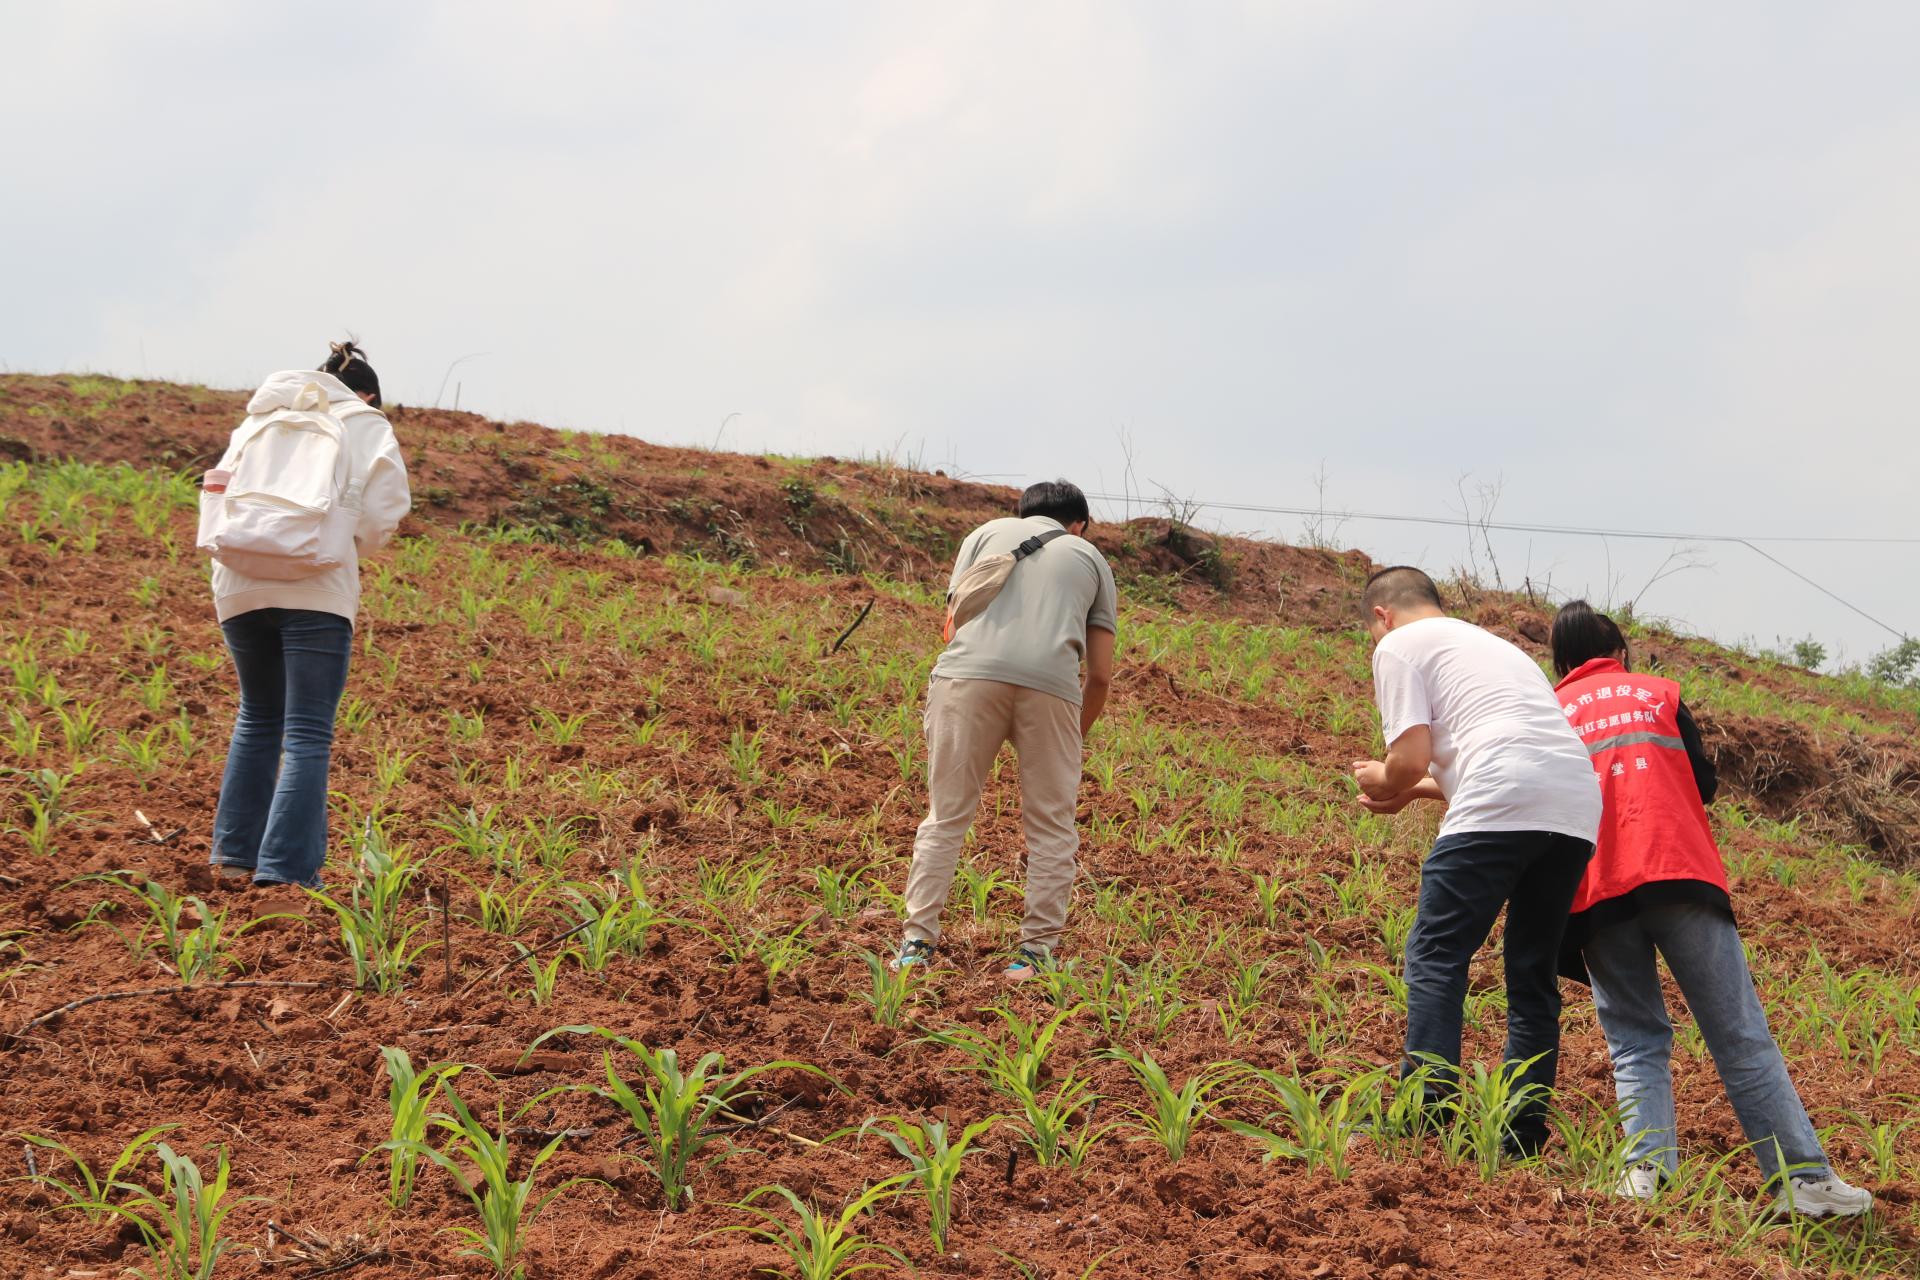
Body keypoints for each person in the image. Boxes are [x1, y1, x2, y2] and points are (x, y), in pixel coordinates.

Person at [1550, 600, 1872, 1217]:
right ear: (1618, 653)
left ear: (1562, 663)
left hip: (1596, 889)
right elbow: (1702, 783)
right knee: (1739, 1034)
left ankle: (1646, 1176)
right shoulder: (1659, 693)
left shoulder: (1550, 710)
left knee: (1634, 1040)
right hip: (1676, 872)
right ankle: (1801, 1181)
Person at [1351, 567, 1601, 1156]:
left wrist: (1385, 779)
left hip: (1501, 798)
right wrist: (1412, 793)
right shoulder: (1497, 649)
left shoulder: (1399, 645)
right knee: (1531, 971)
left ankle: (1426, 1115)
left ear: (1382, 615)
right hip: (1574, 807)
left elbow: (1410, 758)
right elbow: (1504, 755)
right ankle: (1520, 1133)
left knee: (1437, 954)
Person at [205, 341, 411, 889]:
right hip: (316, 587)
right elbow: (383, 515)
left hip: (239, 583)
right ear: (367, 395)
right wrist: (342, 544)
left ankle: (234, 859)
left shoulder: (260, 417)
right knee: (306, 733)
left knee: (257, 716)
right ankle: (285, 876)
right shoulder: (364, 423)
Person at [892, 479, 1118, 980]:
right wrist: (1073, 734)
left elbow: (954, 621)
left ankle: (916, 945)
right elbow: (1101, 675)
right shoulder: (1090, 557)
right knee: (1051, 828)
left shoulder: (984, 534)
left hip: (966, 678)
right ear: (1079, 525)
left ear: (1021, 513)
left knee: (945, 817)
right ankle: (1034, 955)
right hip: (1051, 688)